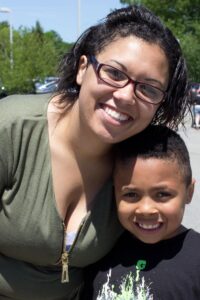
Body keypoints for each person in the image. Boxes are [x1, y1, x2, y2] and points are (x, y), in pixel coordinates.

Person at [0, 4, 190, 300]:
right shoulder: (10, 127)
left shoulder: (135, 165)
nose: (126, 95)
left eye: (149, 89)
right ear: (83, 68)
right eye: (114, 73)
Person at [82, 125, 200, 300]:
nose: (146, 209)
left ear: (189, 192)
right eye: (131, 194)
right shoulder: (98, 248)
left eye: (162, 194)